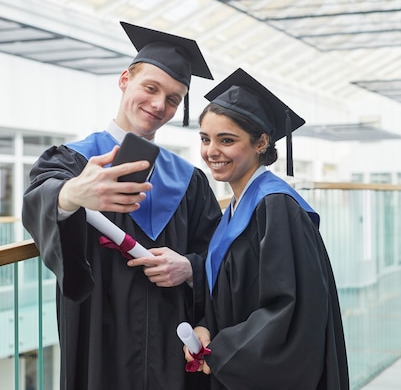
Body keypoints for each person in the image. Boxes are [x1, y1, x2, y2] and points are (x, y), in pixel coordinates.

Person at [22, 22, 222, 390]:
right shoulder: (73, 162)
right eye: (150, 87)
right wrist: (70, 196)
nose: (159, 104)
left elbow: (218, 252)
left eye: (174, 98)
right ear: (124, 80)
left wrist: (190, 267)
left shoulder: (189, 181)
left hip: (170, 336)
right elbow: (40, 198)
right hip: (98, 328)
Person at [183, 68, 349, 390]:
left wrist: (222, 352)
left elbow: (290, 312)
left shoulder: (276, 207)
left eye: (226, 140)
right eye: (205, 139)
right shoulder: (234, 208)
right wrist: (205, 328)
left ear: (261, 142)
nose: (211, 151)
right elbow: (228, 291)